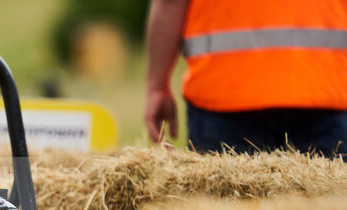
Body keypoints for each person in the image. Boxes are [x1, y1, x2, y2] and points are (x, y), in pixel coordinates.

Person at [145, 0, 347, 156]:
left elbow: (170, 3)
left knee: (222, 209)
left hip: (223, 95)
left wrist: (157, 86)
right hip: (327, 89)